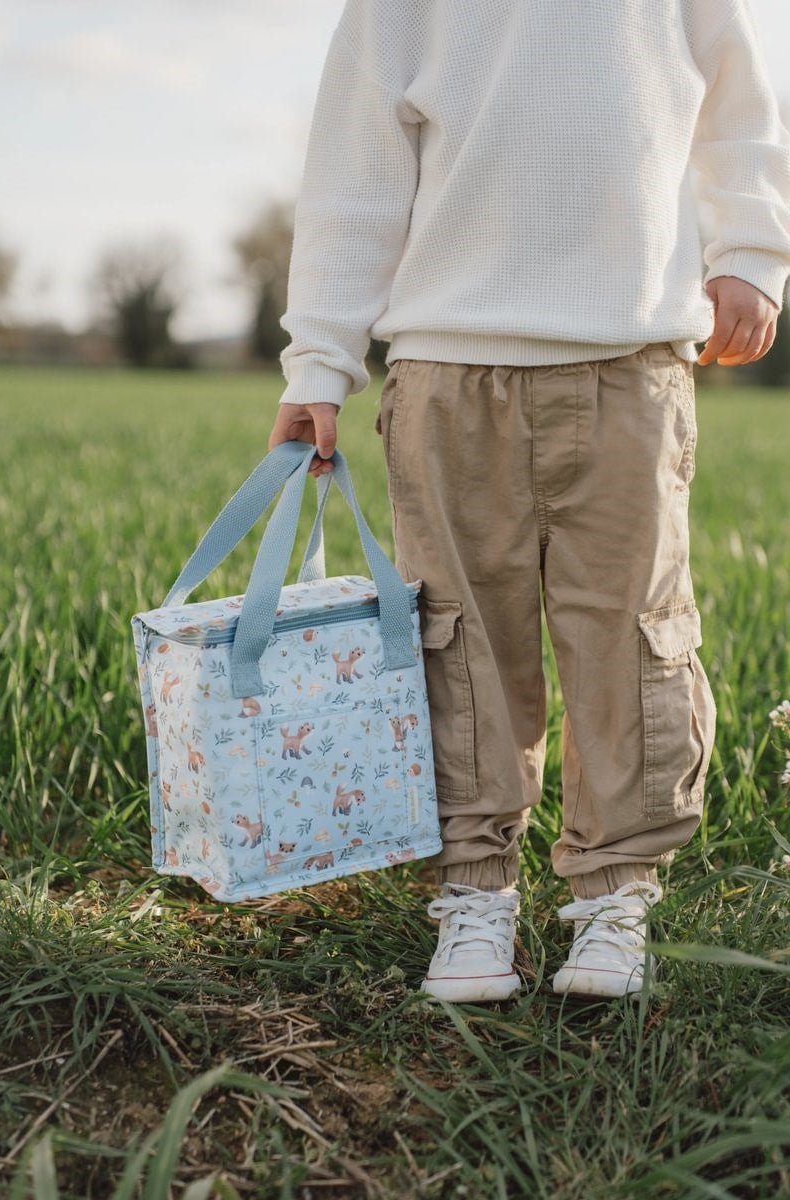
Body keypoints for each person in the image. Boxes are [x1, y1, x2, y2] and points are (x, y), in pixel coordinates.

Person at [267, 0, 790, 1003]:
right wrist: (319, 362)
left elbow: (739, 110)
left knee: (629, 634)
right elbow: (355, 165)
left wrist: (748, 256)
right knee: (459, 641)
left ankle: (610, 893)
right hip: (447, 366)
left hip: (629, 361)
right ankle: (474, 893)